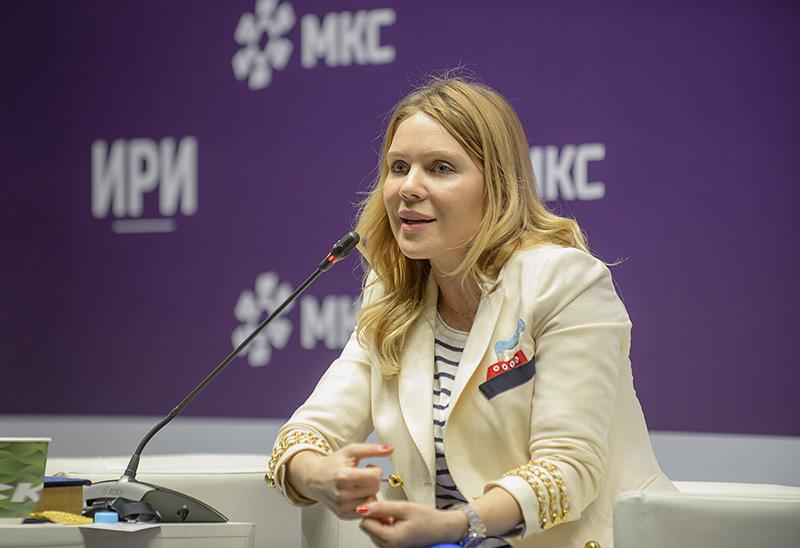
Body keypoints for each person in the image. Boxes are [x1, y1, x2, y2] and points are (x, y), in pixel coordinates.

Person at [266, 76, 674, 548]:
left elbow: (568, 470)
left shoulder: (564, 281)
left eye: (440, 168)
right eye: (398, 167)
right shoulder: (391, 292)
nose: (408, 188)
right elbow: (306, 432)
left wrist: (453, 526)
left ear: (495, 185)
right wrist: (319, 475)